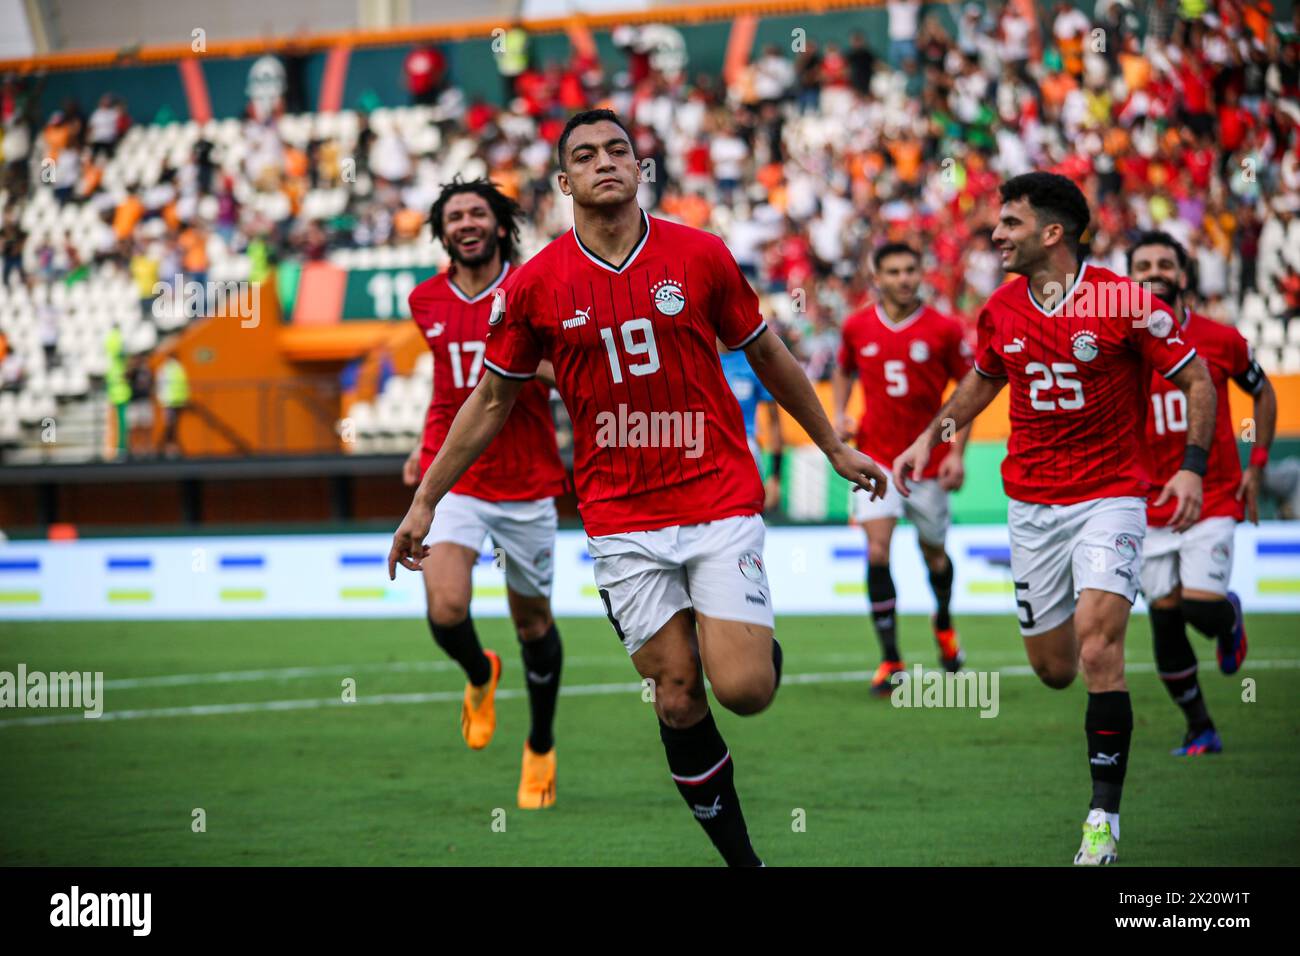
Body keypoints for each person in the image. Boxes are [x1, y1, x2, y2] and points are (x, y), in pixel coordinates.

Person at [389, 110, 887, 866]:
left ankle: (748, 643)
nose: (604, 162)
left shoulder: (700, 255)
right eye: (584, 155)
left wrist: (832, 442)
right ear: (564, 182)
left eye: (618, 149)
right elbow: (491, 399)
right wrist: (426, 498)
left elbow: (769, 351)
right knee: (678, 693)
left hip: (716, 495)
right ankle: (745, 862)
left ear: (639, 167)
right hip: (620, 519)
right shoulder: (536, 286)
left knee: (745, 691)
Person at [892, 172, 1214, 865]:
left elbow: (1197, 379)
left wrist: (1191, 464)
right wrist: (930, 437)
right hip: (1032, 506)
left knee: (1100, 653)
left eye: (1009, 223)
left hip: (1111, 497)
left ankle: (1102, 819)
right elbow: (981, 380)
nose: (996, 234)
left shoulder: (1126, 303)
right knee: (1056, 669)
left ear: (1051, 233)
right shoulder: (1001, 309)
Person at [402, 178, 568, 809]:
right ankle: (480, 672)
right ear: (442, 233)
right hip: (460, 481)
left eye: (478, 213)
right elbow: (448, 391)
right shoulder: (425, 300)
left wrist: (528, 363)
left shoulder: (534, 288)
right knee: (445, 610)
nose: (466, 223)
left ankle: (542, 744)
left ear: (500, 225)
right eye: (454, 216)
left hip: (528, 481)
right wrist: (426, 453)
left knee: (533, 624)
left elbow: (561, 367)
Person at [1127, 231, 1277, 755]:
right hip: (1146, 507)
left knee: (1198, 607)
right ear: (1128, 278)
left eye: (1164, 264)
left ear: (1183, 276)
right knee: (1163, 621)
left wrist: (1254, 462)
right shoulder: (1116, 343)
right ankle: (1200, 727)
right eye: (1142, 265)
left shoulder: (1220, 339)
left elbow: (1262, 393)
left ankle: (1228, 617)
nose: (1154, 273)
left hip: (1211, 495)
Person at [832, 243, 972, 694]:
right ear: (878, 276)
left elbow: (969, 389)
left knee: (934, 555)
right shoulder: (856, 326)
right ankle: (891, 659)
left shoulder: (944, 329)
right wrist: (839, 413)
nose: (904, 279)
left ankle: (945, 628)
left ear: (921, 273)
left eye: (911, 270)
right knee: (877, 552)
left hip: (926, 465)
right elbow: (843, 369)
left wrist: (955, 453)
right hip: (873, 459)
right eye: (893, 271)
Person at [155, 351, 189, 457]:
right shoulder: (178, 368)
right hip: (174, 402)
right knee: (171, 426)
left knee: (171, 426)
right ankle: (166, 447)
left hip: (170, 401)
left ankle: (168, 447)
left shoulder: (165, 368)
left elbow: (160, 385)